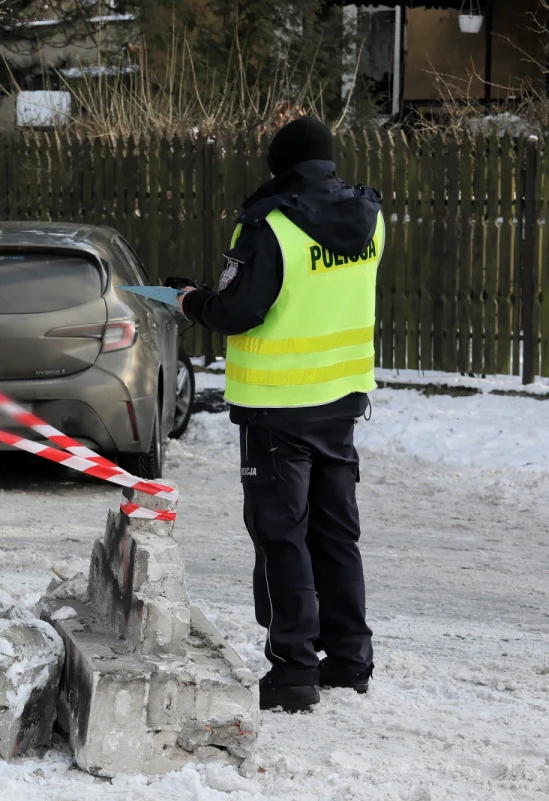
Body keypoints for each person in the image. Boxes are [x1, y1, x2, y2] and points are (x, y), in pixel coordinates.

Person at [179, 116, 381, 714]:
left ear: (278, 165)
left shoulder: (270, 224)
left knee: (281, 536)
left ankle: (293, 668)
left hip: (278, 409)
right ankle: (349, 659)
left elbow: (238, 311)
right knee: (336, 534)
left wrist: (191, 300)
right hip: (340, 401)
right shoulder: (370, 218)